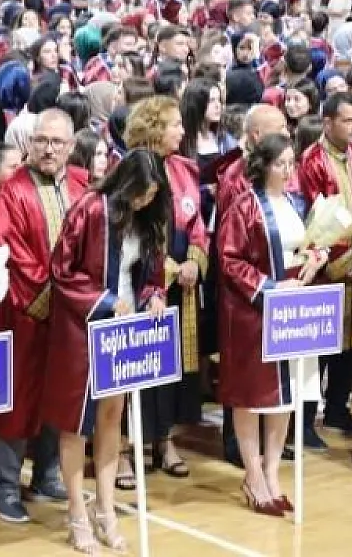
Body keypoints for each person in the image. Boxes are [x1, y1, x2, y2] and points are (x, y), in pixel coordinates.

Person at [45, 148, 169, 553]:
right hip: (84, 327)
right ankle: (77, 511)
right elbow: (62, 270)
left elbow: (150, 272)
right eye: (139, 194)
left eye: (151, 196)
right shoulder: (90, 210)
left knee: (113, 416)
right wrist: (101, 300)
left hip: (126, 330)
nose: (144, 202)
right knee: (77, 422)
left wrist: (153, 295)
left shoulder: (149, 218)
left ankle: (106, 507)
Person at [217, 132, 326, 516]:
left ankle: (272, 471)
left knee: (286, 395)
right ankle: (252, 474)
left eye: (291, 162)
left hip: (292, 312)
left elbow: (298, 248)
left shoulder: (295, 202)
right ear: (263, 165)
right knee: (251, 397)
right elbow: (230, 261)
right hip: (253, 313)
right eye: (281, 163)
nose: (288, 169)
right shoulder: (243, 205)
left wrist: (314, 259)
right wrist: (270, 287)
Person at [0, 109, 81, 524]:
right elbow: (12, 254)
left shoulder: (81, 186)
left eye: (57, 142)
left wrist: (80, 297)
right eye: (41, 140)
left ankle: (46, 475)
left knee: (58, 393)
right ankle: (5, 487)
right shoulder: (12, 191)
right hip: (25, 312)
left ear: (71, 147)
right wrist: (53, 297)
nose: (48, 149)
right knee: (18, 397)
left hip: (71, 313)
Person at [126, 96, 206, 477]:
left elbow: (197, 223)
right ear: (156, 128)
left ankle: (164, 439)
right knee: (138, 365)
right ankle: (128, 445)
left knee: (171, 367)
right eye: (175, 124)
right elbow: (132, 231)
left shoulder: (186, 169)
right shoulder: (133, 168)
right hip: (142, 284)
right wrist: (167, 268)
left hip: (181, 288)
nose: (182, 131)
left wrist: (193, 259)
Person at [295, 90, 352, 434]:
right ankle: (306, 421)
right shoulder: (311, 161)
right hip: (326, 267)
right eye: (347, 120)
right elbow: (313, 220)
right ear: (327, 122)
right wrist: (347, 265)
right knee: (322, 344)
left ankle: (338, 407)